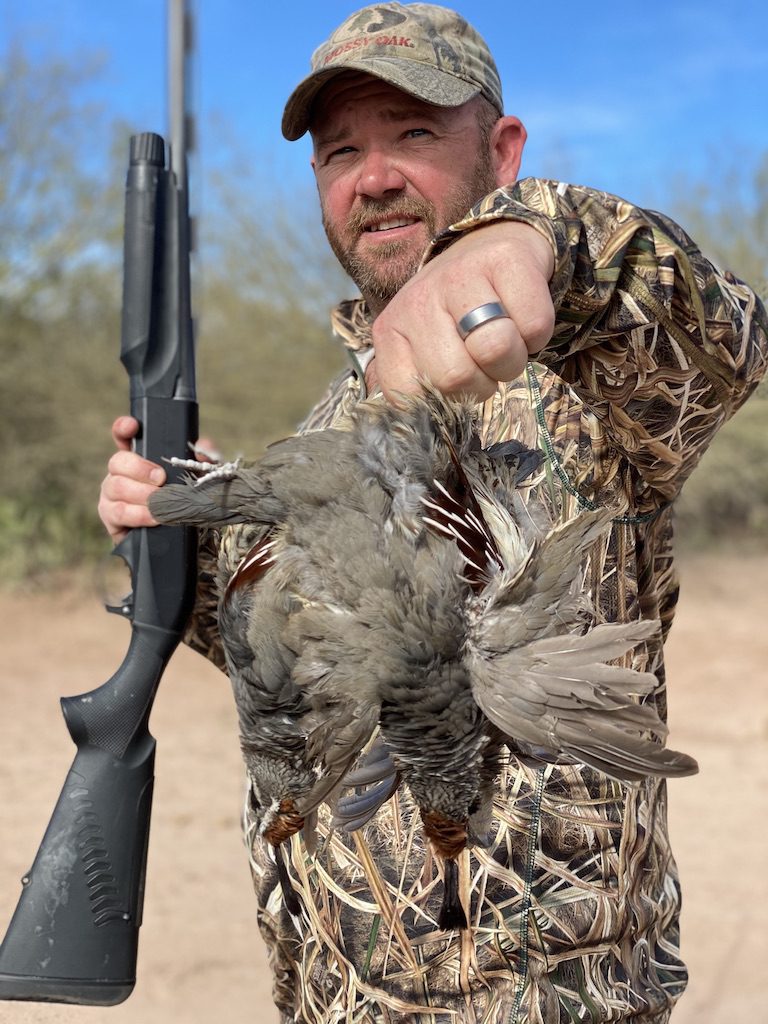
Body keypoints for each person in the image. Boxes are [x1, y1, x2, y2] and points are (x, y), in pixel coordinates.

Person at [99, 4, 767, 1021]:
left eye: (413, 134)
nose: (373, 176)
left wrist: (534, 241)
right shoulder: (322, 426)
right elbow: (296, 669)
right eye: (341, 151)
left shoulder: (588, 383)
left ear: (499, 151)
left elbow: (719, 338)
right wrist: (171, 549)